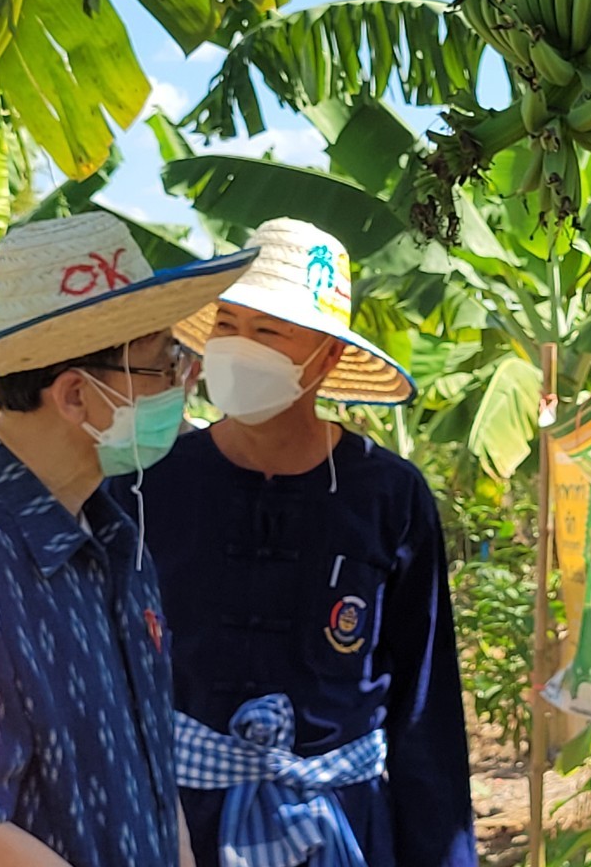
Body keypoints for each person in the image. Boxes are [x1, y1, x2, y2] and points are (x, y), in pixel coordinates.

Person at [109, 218, 477, 867]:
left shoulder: (388, 495)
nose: (237, 346)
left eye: (268, 332)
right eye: (226, 326)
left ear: (327, 358)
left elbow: (425, 709)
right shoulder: (148, 484)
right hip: (181, 828)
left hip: (344, 826)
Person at [0, 212, 256, 867]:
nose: (185, 383)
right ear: (75, 396)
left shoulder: (116, 538)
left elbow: (150, 758)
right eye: (163, 365)